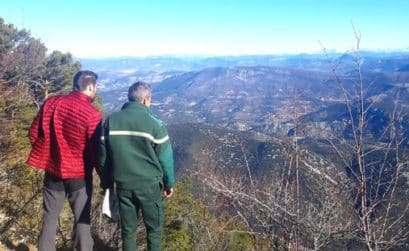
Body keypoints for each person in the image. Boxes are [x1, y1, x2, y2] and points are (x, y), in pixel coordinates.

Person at [26, 70, 102, 251]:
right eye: (96, 86)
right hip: (79, 175)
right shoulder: (92, 114)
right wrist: (104, 176)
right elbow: (95, 152)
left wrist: (48, 155)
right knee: (82, 222)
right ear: (90, 87)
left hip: (53, 170)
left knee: (50, 218)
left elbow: (33, 133)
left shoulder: (51, 103)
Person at [99, 81, 175, 251]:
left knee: (128, 231)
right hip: (149, 186)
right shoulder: (155, 124)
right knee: (154, 231)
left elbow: (103, 157)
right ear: (145, 100)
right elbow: (166, 158)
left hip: (123, 186)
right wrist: (169, 183)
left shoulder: (111, 121)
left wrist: (106, 183)